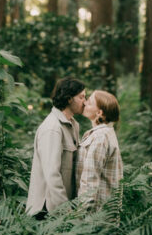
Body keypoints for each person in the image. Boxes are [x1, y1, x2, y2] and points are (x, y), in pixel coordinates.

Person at [26, 77, 86, 217]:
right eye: (81, 97)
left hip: (63, 208)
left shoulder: (73, 125)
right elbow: (52, 174)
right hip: (48, 209)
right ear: (69, 98)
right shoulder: (52, 128)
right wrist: (64, 209)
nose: (85, 102)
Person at [76, 90, 123, 209]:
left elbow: (90, 180)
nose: (85, 103)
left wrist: (81, 214)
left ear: (99, 113)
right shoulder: (103, 133)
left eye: (90, 102)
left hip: (95, 215)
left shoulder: (100, 137)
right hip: (102, 212)